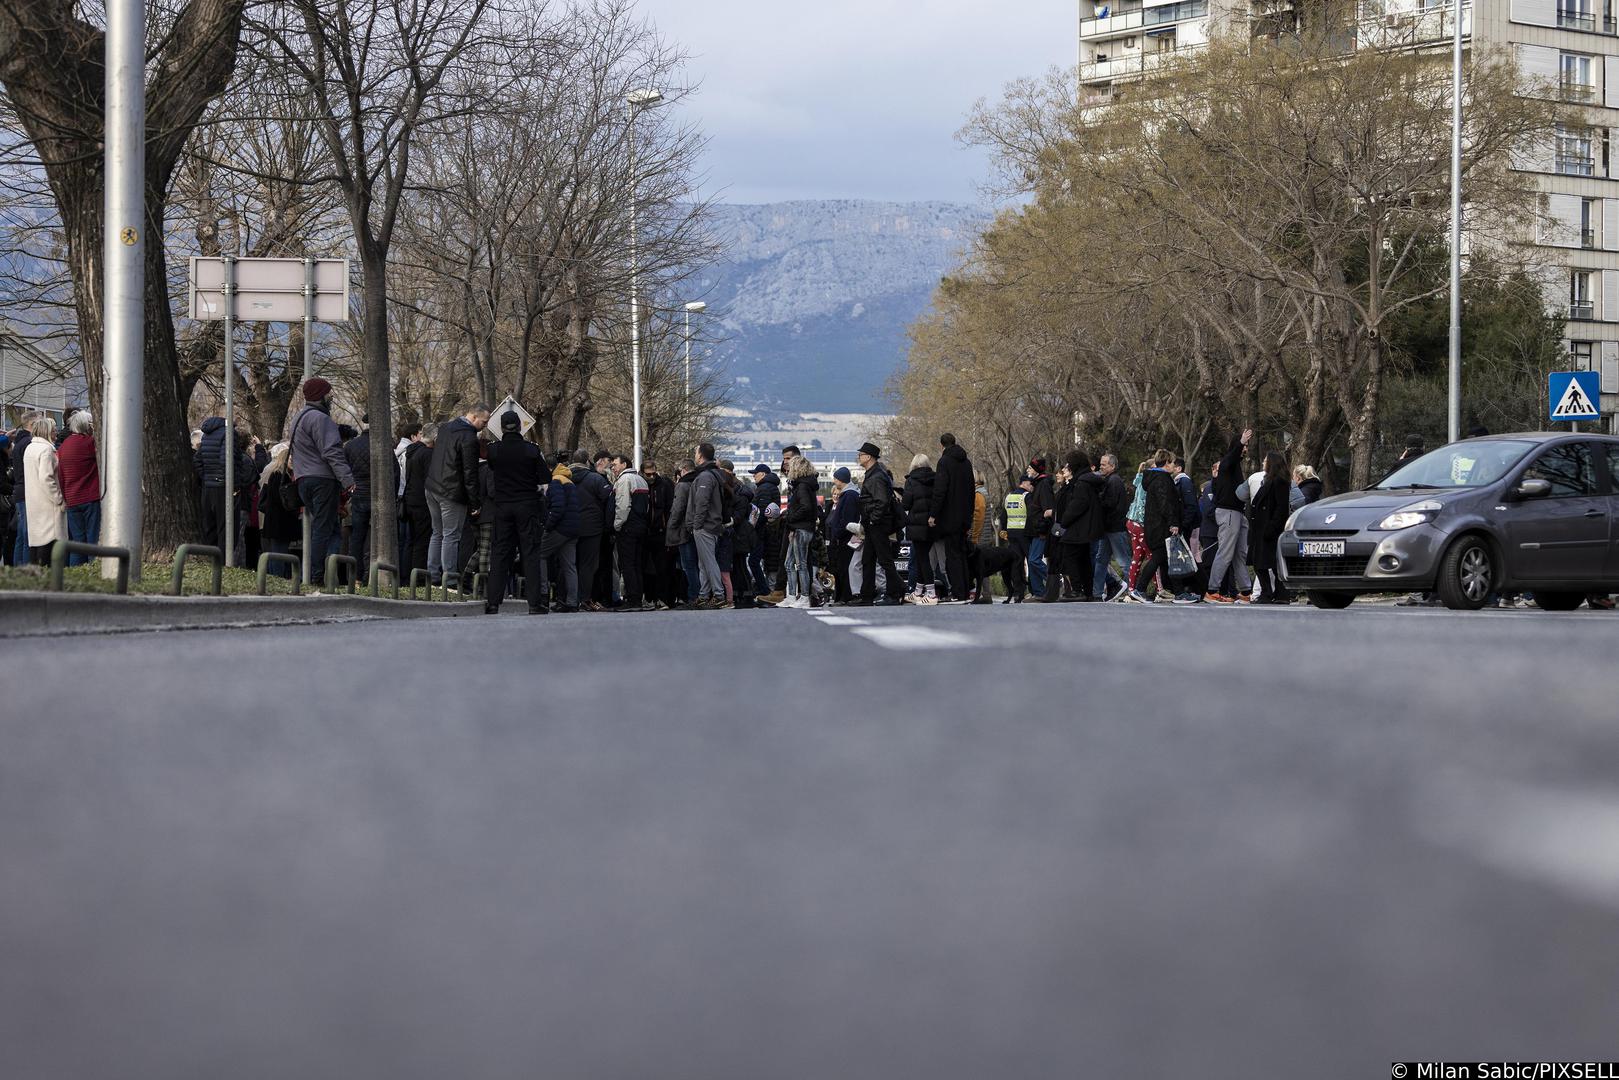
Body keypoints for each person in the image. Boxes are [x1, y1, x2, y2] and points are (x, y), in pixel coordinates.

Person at [287, 378, 356, 587]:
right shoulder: (321, 419)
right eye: (329, 394)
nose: (331, 398)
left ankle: (329, 572)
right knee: (323, 529)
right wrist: (348, 480)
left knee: (331, 528)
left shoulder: (298, 418)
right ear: (321, 395)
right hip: (322, 480)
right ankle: (318, 576)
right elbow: (332, 452)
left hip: (303, 479)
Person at [482, 411, 547, 615]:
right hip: (527, 506)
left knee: (500, 554)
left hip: (502, 507)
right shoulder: (531, 450)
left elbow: (490, 464)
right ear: (520, 427)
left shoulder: (494, 450)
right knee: (530, 554)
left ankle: (493, 602)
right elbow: (545, 477)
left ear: (502, 428)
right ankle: (534, 604)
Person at [425, 403, 487, 589]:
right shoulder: (469, 438)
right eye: (484, 421)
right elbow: (470, 473)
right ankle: (450, 580)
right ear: (474, 417)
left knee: (437, 532)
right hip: (452, 492)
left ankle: (433, 576)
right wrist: (474, 503)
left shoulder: (445, 428)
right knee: (451, 536)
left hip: (432, 486)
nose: (485, 425)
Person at [1128, 449, 1189, 603]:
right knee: (1159, 557)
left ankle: (1179, 592)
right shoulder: (1163, 479)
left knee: (1167, 559)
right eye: (1172, 463)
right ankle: (1140, 589)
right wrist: (1173, 522)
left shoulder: (1153, 478)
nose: (1174, 466)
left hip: (1154, 525)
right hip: (1161, 527)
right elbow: (1166, 504)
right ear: (1167, 463)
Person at [1203, 428, 1254, 606]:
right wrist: (1240, 443)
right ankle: (1212, 591)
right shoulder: (1227, 463)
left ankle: (1246, 592)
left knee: (1240, 554)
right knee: (1225, 552)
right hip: (1229, 513)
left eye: (1247, 446)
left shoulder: (1235, 466)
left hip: (1237, 513)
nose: (1246, 449)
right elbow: (1229, 459)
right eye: (1244, 446)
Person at [343, 415, 397, 579]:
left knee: (357, 537)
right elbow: (395, 472)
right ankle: (372, 575)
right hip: (379, 497)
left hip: (358, 495)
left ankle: (354, 576)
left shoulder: (350, 446)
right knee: (376, 537)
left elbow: (345, 471)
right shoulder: (384, 444)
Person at [1047, 451, 1102, 603]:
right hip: (1086, 526)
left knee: (1069, 556)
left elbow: (1078, 504)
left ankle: (1077, 590)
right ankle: (1088, 591)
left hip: (1078, 527)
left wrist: (1064, 521)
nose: (1066, 467)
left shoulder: (1081, 482)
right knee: (1083, 559)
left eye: (1068, 464)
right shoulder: (1087, 480)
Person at [929, 433, 975, 602]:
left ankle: (957, 593)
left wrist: (933, 514)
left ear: (942, 445)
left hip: (949, 517)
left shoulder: (944, 462)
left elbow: (940, 490)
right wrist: (969, 517)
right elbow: (971, 491)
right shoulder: (967, 463)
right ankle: (965, 590)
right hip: (964, 517)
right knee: (962, 554)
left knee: (952, 556)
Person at [856, 442, 902, 606]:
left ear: (868, 457)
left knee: (884, 560)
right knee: (868, 560)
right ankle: (866, 595)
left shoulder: (876, 476)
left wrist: (873, 519)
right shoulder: (873, 474)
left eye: (860, 454)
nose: (858, 457)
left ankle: (896, 593)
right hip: (873, 524)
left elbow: (881, 501)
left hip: (878, 524)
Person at [57, 410, 102, 563]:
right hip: (90, 497)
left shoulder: (63, 447)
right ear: (87, 426)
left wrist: (66, 497)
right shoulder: (90, 443)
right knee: (92, 541)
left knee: (77, 543)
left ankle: (76, 576)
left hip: (72, 499)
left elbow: (61, 476)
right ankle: (93, 573)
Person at [688, 443, 728, 608]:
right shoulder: (713, 474)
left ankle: (719, 595)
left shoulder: (705, 476)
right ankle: (704, 595)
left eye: (696, 452)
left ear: (700, 455)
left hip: (705, 525)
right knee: (703, 562)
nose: (695, 455)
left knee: (709, 561)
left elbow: (702, 502)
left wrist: (696, 525)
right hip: (712, 524)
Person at [1250, 451, 1293, 604]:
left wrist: (1272, 527)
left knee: (1271, 563)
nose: (1263, 462)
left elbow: (1281, 508)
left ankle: (1278, 594)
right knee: (1260, 563)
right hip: (1261, 527)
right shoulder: (1268, 480)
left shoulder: (1279, 482)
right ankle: (1268, 592)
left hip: (1269, 528)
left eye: (1266, 460)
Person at [610, 453, 652, 611]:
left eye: (615, 464)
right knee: (637, 564)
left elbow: (623, 506)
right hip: (641, 526)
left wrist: (617, 525)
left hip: (628, 527)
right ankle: (638, 599)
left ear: (624, 465)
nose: (613, 468)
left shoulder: (624, 480)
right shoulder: (641, 479)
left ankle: (632, 600)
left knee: (627, 565)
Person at [22, 416, 65, 565]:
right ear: (46, 432)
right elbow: (47, 478)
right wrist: (59, 498)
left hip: (34, 501)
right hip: (48, 503)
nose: (56, 433)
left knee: (37, 543)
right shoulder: (46, 450)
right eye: (53, 431)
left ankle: (36, 580)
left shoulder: (30, 448)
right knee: (49, 543)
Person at [539, 458, 580, 611]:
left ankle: (543, 595)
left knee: (539, 554)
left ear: (549, 469)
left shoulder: (555, 481)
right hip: (573, 528)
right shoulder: (568, 481)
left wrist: (548, 526)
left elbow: (558, 508)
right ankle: (572, 602)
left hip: (560, 528)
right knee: (570, 566)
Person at [781, 454, 820, 608]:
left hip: (801, 529)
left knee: (800, 564)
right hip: (799, 528)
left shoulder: (802, 486)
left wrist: (791, 520)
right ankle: (791, 595)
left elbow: (806, 507)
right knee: (789, 563)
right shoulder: (805, 485)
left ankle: (804, 596)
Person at [1092, 453, 1131, 602]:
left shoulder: (1113, 481)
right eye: (1101, 464)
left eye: (1104, 464)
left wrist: (1097, 499)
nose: (1101, 466)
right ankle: (1096, 593)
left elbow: (1110, 503)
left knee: (1123, 561)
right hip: (1108, 528)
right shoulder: (1108, 480)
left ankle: (1132, 590)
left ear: (1113, 466)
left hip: (1115, 528)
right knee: (1101, 560)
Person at [258, 442, 300, 577]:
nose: (293, 461)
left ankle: (272, 576)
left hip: (274, 521)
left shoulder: (275, 475)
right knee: (279, 552)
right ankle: (277, 577)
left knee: (275, 552)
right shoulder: (281, 477)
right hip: (280, 522)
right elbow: (282, 500)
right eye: (291, 458)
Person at [901, 452, 938, 605]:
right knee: (923, 557)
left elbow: (906, 504)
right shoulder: (936, 479)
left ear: (914, 465)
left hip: (917, 525)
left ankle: (931, 593)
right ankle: (917, 592)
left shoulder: (911, 481)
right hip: (932, 524)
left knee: (922, 559)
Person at [644, 459, 678, 610]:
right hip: (646, 532)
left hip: (660, 531)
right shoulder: (641, 484)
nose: (651, 477)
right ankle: (650, 597)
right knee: (646, 567)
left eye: (653, 474)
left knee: (662, 567)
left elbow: (670, 507)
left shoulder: (664, 485)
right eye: (648, 474)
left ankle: (663, 598)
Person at [824, 466, 861, 603]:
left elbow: (847, 519)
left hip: (846, 539)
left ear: (841, 479)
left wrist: (838, 532)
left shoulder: (849, 495)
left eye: (835, 478)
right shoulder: (848, 494)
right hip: (842, 539)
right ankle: (841, 596)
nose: (834, 480)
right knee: (841, 568)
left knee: (845, 568)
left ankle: (846, 596)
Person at [666, 462, 698, 606]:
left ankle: (693, 596)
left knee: (687, 565)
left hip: (683, 530)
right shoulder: (699, 481)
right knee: (697, 565)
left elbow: (678, 508)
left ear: (683, 470)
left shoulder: (682, 485)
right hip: (697, 528)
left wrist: (671, 525)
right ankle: (698, 594)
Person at [1023, 458, 1054, 599]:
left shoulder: (1044, 484)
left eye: (1030, 468)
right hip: (1033, 529)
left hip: (1040, 530)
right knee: (1031, 561)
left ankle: (1054, 580)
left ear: (1036, 470)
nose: (1027, 470)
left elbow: (1048, 510)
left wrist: (1043, 527)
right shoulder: (1036, 485)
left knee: (1034, 560)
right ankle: (1038, 592)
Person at [749, 464, 779, 596]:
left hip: (762, 532)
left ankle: (764, 590)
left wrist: (751, 527)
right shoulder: (769, 487)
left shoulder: (764, 488)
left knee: (753, 561)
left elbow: (760, 512)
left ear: (763, 474)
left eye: (756, 473)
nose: (754, 475)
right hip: (769, 531)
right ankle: (765, 589)